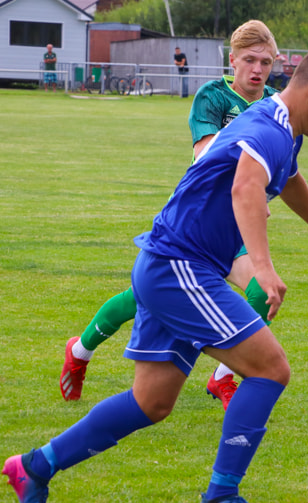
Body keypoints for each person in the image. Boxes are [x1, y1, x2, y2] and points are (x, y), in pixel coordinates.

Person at [3, 45, 308, 503]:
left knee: (150, 403)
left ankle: (33, 468)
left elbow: (289, 177)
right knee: (270, 369)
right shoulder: (268, 128)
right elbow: (245, 189)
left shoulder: (283, 127)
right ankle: (221, 499)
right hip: (180, 269)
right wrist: (262, 267)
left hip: (167, 264)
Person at [59, 20, 281, 409]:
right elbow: (205, 154)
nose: (258, 70)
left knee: (264, 291)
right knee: (139, 300)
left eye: (265, 61)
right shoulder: (214, 97)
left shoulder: (276, 104)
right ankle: (80, 352)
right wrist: (249, 180)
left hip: (234, 230)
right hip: (193, 224)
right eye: (249, 60)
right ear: (233, 60)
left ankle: (222, 378)